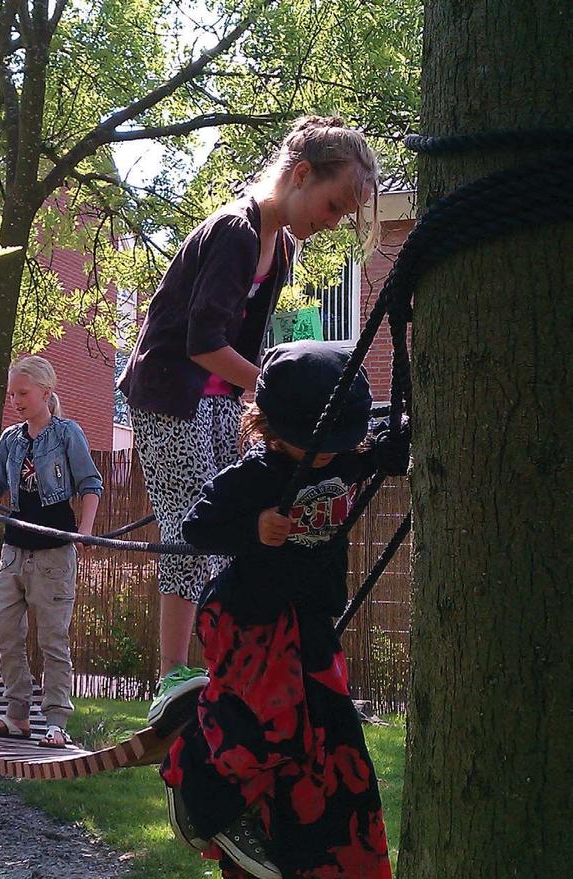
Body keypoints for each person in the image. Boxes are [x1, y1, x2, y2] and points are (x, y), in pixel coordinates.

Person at [116, 115, 381, 732]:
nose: (334, 221)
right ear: (301, 174)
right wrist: (283, 394)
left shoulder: (281, 245)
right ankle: (175, 675)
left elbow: (252, 342)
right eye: (334, 204)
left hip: (216, 401)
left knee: (240, 513)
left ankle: (254, 665)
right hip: (169, 398)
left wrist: (273, 402)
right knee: (196, 528)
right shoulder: (235, 233)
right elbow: (204, 344)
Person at [161, 340, 406, 879]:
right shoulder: (256, 474)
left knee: (326, 737)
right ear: (270, 427)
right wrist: (256, 527)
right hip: (249, 617)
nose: (327, 456)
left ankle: (305, 849)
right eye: (313, 443)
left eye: (338, 443)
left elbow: (382, 446)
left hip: (310, 616)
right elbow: (197, 528)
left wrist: (390, 449)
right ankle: (194, 776)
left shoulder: (342, 455)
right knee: (269, 728)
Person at [0, 356, 103, 748]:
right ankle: (16, 716)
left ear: (46, 391)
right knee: (6, 635)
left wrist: (86, 532)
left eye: (22, 393)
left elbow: (90, 484)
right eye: (12, 394)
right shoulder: (10, 439)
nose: (16, 400)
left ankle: (56, 721)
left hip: (53, 554)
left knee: (52, 640)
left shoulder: (66, 434)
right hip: (14, 550)